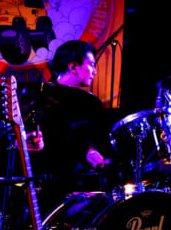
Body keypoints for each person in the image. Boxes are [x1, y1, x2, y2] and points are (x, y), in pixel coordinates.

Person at [30, 40, 114, 214]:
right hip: (46, 189)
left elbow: (87, 141)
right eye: (91, 65)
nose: (95, 71)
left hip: (81, 188)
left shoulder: (91, 104)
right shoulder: (40, 100)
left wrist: (93, 152)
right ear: (73, 67)